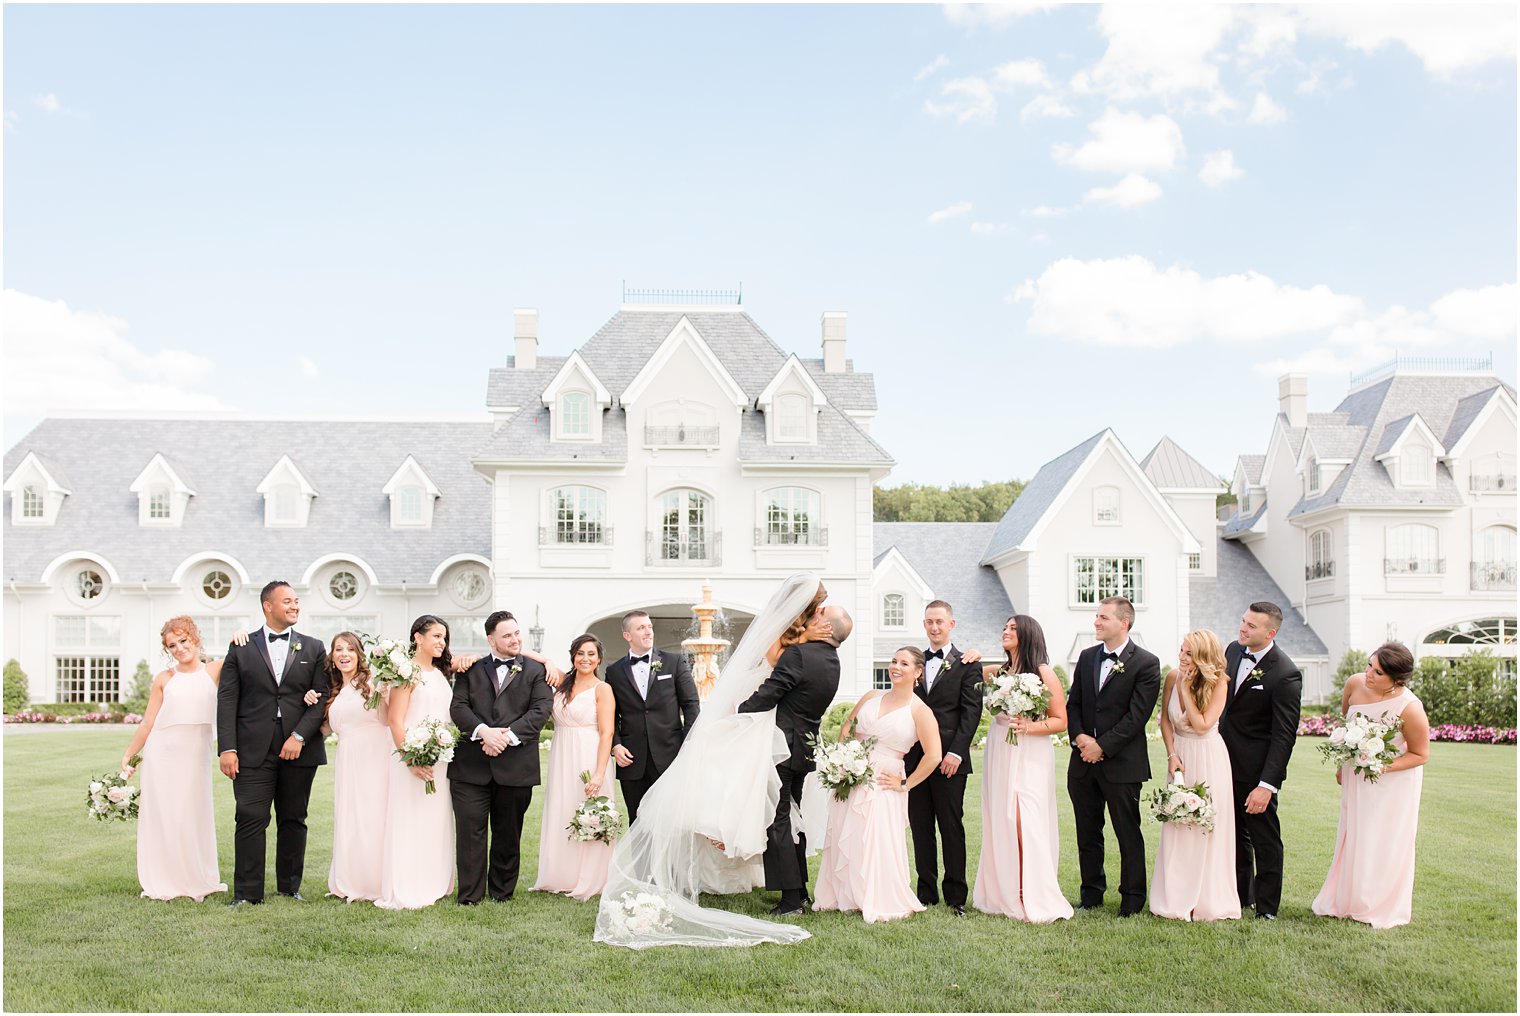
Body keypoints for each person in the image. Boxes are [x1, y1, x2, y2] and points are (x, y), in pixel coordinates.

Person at [593, 572, 828, 948]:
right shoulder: (787, 643)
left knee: (776, 812)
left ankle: (792, 891)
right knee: (772, 812)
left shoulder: (797, 644)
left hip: (769, 731)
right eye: (641, 627)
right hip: (755, 726)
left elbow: (692, 703)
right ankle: (787, 892)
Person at [216, 580, 328, 905]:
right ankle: (247, 894)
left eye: (297, 601)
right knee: (250, 816)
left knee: (294, 818)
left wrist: (298, 736)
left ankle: (289, 888)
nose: (295, 606)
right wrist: (227, 747)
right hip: (252, 749)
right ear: (268, 606)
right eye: (288, 601)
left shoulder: (313, 647)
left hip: (299, 749)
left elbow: (320, 698)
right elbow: (227, 699)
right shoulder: (241, 647)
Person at [813, 646, 941, 923]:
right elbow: (847, 728)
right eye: (894, 661)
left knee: (875, 836)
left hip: (885, 779)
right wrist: (841, 760)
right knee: (848, 831)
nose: (895, 666)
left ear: (918, 672)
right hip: (852, 773)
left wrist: (905, 783)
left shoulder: (920, 711)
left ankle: (875, 895)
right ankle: (843, 893)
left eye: (904, 664)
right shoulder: (872, 696)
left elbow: (934, 755)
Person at [738, 603, 851, 916]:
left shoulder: (799, 655)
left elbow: (770, 693)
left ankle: (790, 902)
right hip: (805, 749)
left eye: (819, 616)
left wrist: (737, 713)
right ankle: (799, 891)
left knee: (779, 821)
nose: (813, 616)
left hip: (783, 749)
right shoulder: (832, 661)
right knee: (793, 818)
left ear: (828, 628)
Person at [1312, 642, 1429, 929]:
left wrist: (1378, 765)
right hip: (1356, 777)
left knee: (1383, 840)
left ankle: (1378, 904)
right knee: (1354, 834)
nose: (1368, 674)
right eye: (1369, 665)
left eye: (1378, 672)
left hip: (1393, 783)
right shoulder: (1354, 684)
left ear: (1397, 679)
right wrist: (1343, 763)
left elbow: (1420, 754)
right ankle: (1347, 900)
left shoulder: (1410, 708)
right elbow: (1344, 725)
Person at [448, 610, 553, 905]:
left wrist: (504, 737)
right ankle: (469, 895)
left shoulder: (535, 671)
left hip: (516, 766)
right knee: (470, 833)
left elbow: (540, 710)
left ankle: (501, 893)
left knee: (508, 833)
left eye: (517, 633)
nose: (515, 639)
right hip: (470, 767)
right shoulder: (471, 669)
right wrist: (484, 732)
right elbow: (459, 708)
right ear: (491, 639)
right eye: (507, 635)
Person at [972, 615, 1072, 923]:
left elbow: (1061, 721)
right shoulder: (1000, 672)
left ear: (1027, 634)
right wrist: (971, 657)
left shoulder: (1043, 673)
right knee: (1001, 816)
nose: (1006, 631)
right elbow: (967, 672)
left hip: (1030, 750)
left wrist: (1029, 728)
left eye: (1013, 628)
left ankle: (1032, 891)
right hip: (1001, 745)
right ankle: (1007, 889)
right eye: (1004, 626)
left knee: (1023, 817)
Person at [1065, 595, 1161, 916]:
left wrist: (1101, 746)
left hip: (1122, 765)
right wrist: (1080, 739)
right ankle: (1091, 895)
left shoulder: (1146, 663)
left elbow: (1137, 717)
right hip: (1082, 764)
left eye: (1103, 617)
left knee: (1127, 833)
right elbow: (1073, 704)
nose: (1096, 621)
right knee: (1087, 833)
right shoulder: (1088, 656)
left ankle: (1132, 900)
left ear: (1124, 623)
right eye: (1096, 616)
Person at [121, 616, 228, 902]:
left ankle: (196, 876)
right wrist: (129, 755)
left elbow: (248, 654)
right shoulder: (165, 679)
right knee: (166, 815)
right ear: (167, 649)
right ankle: (165, 878)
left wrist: (240, 633)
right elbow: (147, 722)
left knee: (193, 813)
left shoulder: (214, 670)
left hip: (196, 754)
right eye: (172, 645)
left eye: (184, 640)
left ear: (195, 638)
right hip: (163, 754)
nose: (179, 648)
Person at [1219, 601, 1303, 921]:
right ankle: (1242, 897)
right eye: (1243, 621)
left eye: (1251, 626)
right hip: (1223, 762)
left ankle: (1267, 907)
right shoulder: (1232, 651)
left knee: (1264, 838)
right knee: (1234, 836)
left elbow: (1284, 736)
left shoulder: (1285, 673)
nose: (1242, 628)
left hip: (1256, 772)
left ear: (1270, 633)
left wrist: (1267, 785)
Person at [1149, 629, 1239, 922]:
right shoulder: (1173, 677)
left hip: (1208, 756)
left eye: (1188, 653)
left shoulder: (1219, 684)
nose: (1181, 657)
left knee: (1205, 824)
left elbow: (1201, 725)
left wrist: (1187, 690)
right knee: (1178, 823)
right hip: (1181, 757)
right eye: (1181, 650)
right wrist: (1171, 754)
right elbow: (1165, 720)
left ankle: (1206, 900)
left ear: (1203, 657)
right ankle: (1175, 897)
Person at [375, 615, 459, 909]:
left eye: (444, 638)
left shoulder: (439, 674)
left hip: (439, 759)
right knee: (410, 818)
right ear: (417, 637)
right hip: (409, 758)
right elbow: (395, 721)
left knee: (434, 820)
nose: (441, 642)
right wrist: (411, 761)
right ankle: (408, 883)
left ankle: (434, 881)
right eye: (436, 636)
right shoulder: (406, 673)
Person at [906, 599, 982, 917]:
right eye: (929, 622)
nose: (934, 627)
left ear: (951, 624)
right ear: (924, 625)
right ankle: (926, 893)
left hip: (951, 760)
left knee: (951, 827)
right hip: (915, 760)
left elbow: (971, 713)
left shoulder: (968, 664)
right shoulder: (913, 662)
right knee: (920, 826)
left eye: (940, 621)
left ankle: (955, 897)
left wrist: (955, 753)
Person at [532, 633, 617, 900]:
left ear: (599, 658)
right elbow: (523, 653)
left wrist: (600, 773)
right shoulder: (561, 682)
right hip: (562, 753)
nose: (585, 659)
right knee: (563, 809)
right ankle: (561, 875)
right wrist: (546, 660)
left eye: (591, 654)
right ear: (573, 656)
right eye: (580, 653)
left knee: (589, 809)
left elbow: (607, 733)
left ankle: (591, 877)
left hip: (589, 754)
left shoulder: (602, 689)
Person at [606, 610, 700, 826]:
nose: (648, 632)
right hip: (631, 759)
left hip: (671, 756)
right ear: (627, 635)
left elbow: (691, 705)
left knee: (672, 823)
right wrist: (616, 745)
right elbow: (610, 714)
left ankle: (671, 863)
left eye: (649, 627)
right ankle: (642, 862)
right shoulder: (614, 671)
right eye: (641, 628)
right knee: (637, 821)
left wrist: (685, 744)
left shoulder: (674, 662)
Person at [322, 631, 390, 903]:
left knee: (371, 816)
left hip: (374, 757)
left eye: (349, 649)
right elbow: (328, 727)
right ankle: (349, 879)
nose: (344, 654)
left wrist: (384, 696)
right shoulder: (335, 689)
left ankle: (372, 882)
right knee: (350, 816)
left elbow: (385, 720)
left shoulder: (373, 682)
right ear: (332, 656)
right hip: (347, 758)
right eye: (338, 649)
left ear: (359, 654)